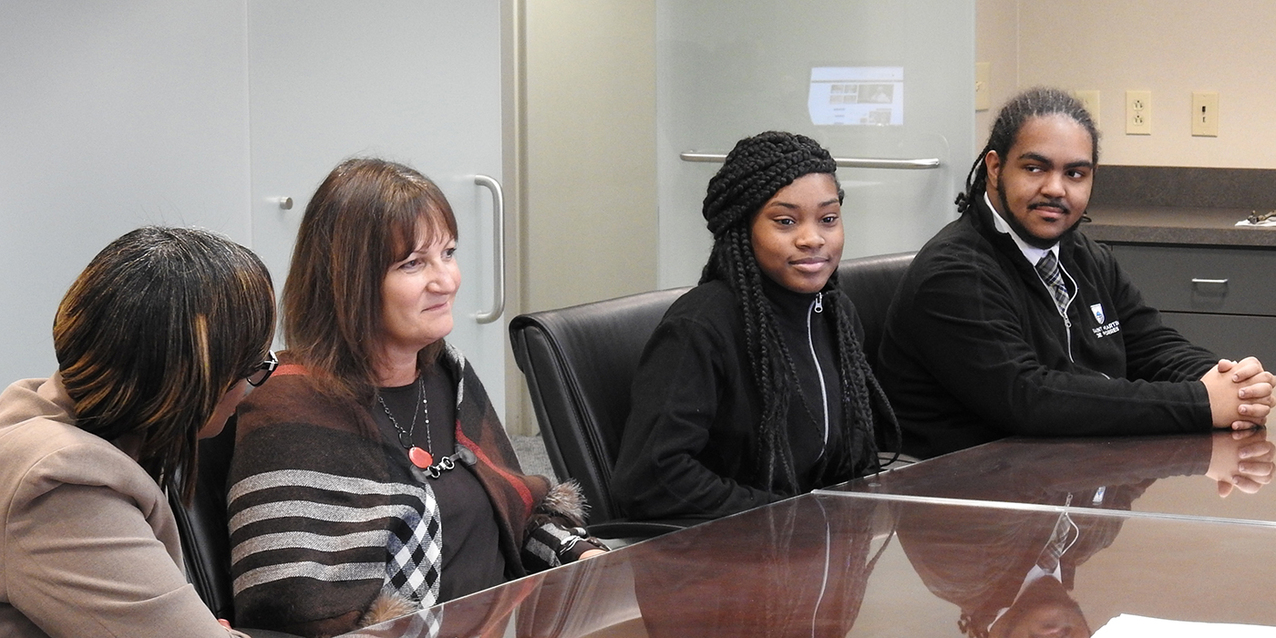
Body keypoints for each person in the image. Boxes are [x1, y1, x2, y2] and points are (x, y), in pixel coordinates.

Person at [227, 158, 606, 637]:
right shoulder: (288, 402)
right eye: (413, 264)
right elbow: (293, 609)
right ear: (349, 282)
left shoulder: (450, 375)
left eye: (448, 253)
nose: (446, 281)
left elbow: (517, 515)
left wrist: (583, 554)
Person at [877, 86, 1276, 459]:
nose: (1056, 188)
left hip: (1063, 476)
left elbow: (1150, 345)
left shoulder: (1081, 253)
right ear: (995, 168)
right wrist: (1202, 403)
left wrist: (1230, 383)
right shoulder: (954, 274)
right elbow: (1031, 398)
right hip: (966, 499)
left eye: (1075, 174)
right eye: (1035, 168)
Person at [0, 227, 276, 638]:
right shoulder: (61, 484)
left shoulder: (42, 409)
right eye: (255, 366)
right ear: (195, 379)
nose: (257, 382)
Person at [611, 131, 899, 522]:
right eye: (785, 221)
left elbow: (851, 454)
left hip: (809, 546)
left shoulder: (836, 314)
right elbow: (651, 478)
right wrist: (787, 516)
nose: (812, 238)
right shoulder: (700, 326)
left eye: (828, 219)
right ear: (743, 228)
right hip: (720, 554)